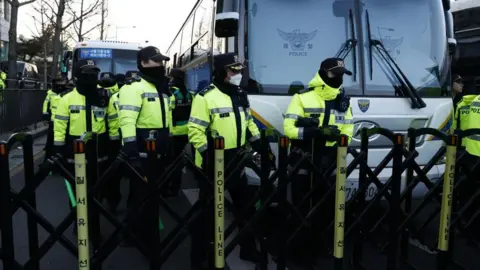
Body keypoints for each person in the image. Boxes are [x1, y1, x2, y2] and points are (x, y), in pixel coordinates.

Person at [188, 53, 274, 269]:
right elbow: (195, 130)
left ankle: (247, 248)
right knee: (207, 214)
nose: (237, 74)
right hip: (212, 163)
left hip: (237, 158)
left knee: (245, 209)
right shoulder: (205, 96)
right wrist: (207, 153)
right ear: (220, 71)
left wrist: (259, 144)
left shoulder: (240, 94)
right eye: (232, 70)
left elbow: (248, 123)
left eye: (239, 70)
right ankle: (200, 257)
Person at [283, 57, 354, 264]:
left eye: (341, 75)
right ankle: (298, 250)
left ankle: (320, 245)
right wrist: (315, 132)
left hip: (330, 160)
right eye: (334, 74)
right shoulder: (302, 98)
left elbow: (349, 127)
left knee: (327, 207)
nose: (339, 78)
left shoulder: (342, 100)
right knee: (301, 206)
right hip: (304, 159)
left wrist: (341, 141)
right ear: (322, 73)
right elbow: (289, 130)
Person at [53, 59, 119, 233]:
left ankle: (94, 225)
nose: (91, 78)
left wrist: (114, 146)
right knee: (76, 190)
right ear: (77, 76)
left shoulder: (105, 97)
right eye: (87, 74)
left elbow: (113, 123)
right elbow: (59, 127)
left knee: (96, 189)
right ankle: (78, 220)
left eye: (94, 73)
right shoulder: (66, 99)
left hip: (99, 149)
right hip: (74, 151)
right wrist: (58, 151)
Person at [118, 46, 171, 246]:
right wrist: (131, 152)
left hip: (159, 148)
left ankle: (137, 232)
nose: (160, 64)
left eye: (161, 61)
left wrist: (170, 141)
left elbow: (166, 118)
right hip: (141, 149)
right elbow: (127, 121)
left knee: (148, 194)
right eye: (155, 61)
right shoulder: (133, 87)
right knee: (141, 194)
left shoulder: (160, 87)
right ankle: (136, 236)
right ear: (143, 62)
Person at [164, 68, 193, 197]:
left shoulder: (171, 93)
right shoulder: (189, 93)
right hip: (185, 131)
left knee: (169, 162)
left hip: (173, 132)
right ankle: (175, 187)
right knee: (178, 160)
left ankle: (168, 187)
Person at [98, 72, 122, 213]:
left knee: (100, 172)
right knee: (113, 172)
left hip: (99, 139)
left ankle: (99, 199)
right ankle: (112, 201)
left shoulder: (95, 93)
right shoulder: (120, 95)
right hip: (114, 139)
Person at [43, 78, 68, 161]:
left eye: (62, 82)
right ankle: (48, 158)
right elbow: (46, 104)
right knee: (50, 141)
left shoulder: (67, 93)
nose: (60, 84)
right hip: (53, 120)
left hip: (63, 120)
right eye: (58, 82)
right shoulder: (50, 93)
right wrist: (45, 116)